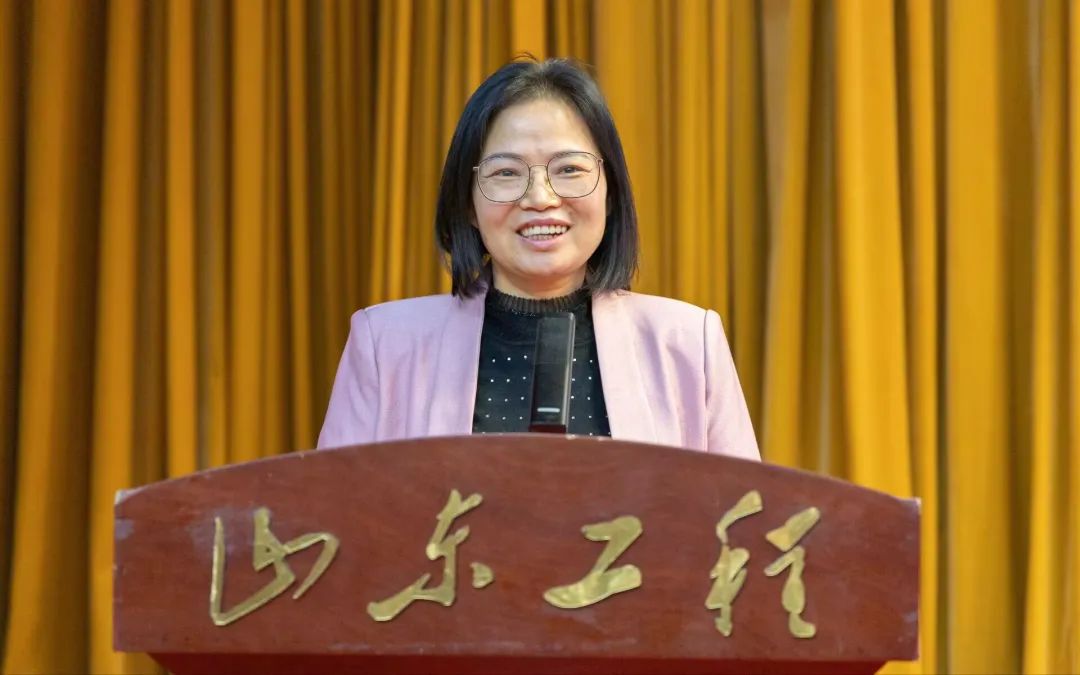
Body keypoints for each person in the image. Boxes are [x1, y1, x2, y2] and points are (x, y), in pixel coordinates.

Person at [317, 57, 759, 461]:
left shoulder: (688, 343)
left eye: (569, 169)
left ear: (610, 191)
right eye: (506, 173)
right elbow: (334, 513)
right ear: (468, 202)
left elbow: (742, 517)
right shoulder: (385, 346)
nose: (540, 198)